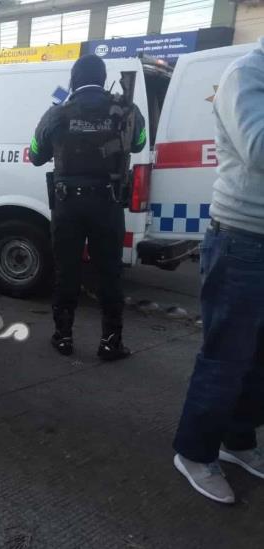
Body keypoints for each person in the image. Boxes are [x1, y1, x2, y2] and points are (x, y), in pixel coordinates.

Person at [173, 38, 264, 505]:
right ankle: (194, 452)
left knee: (259, 360)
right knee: (226, 358)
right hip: (243, 240)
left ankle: (239, 441)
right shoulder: (246, 74)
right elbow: (259, 148)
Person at [29, 54, 146, 361]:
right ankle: (111, 342)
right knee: (110, 274)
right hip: (107, 205)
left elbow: (36, 153)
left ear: (74, 80)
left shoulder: (57, 113)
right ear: (103, 76)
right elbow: (139, 143)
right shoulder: (125, 109)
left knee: (66, 271)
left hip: (68, 205)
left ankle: (63, 337)